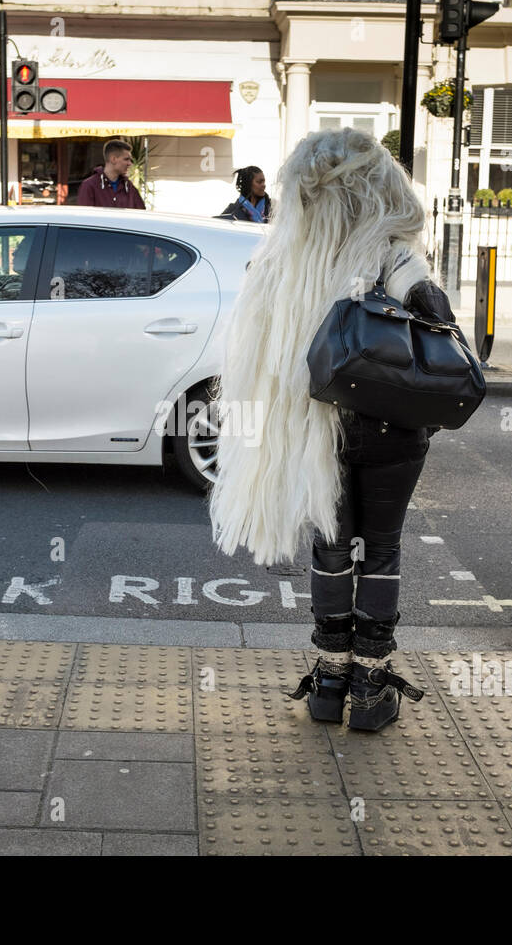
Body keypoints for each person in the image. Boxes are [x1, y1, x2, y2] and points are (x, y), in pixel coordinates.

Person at [208, 127, 454, 733]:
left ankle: (328, 680)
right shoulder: (395, 255)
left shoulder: (285, 261)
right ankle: (371, 690)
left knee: (331, 546)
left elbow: (262, 361)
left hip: (317, 431)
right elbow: (441, 333)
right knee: (384, 548)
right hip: (394, 428)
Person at [77, 139, 146, 209]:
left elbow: (141, 215)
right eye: (126, 159)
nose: (130, 163)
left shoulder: (129, 187)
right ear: (113, 159)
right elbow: (85, 218)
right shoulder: (89, 186)